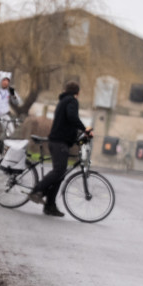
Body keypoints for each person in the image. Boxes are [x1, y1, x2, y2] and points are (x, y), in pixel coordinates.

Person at [27, 81, 89, 217]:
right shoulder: (72, 101)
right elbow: (72, 117)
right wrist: (85, 129)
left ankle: (50, 206)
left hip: (59, 141)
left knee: (60, 175)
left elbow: (67, 121)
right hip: (59, 142)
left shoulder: (64, 101)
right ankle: (36, 191)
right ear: (77, 93)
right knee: (58, 171)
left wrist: (77, 135)